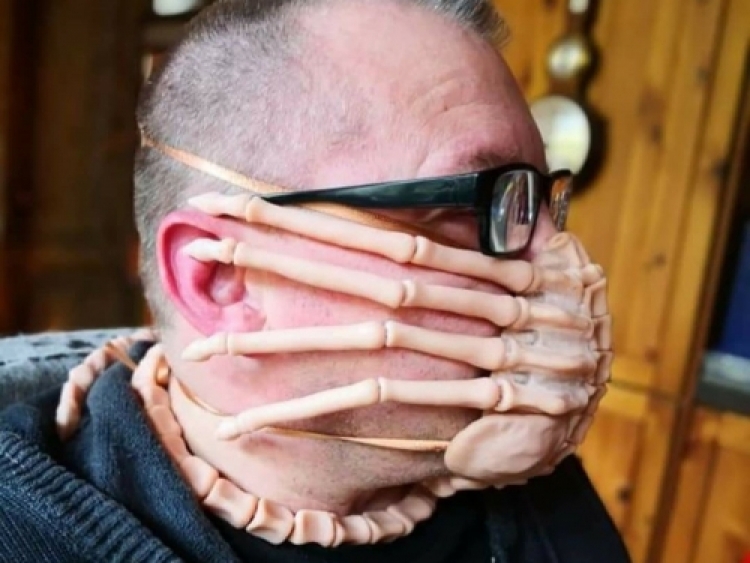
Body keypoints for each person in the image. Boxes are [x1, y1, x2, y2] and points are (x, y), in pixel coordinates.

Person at [0, 0, 630, 561]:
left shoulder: (529, 484)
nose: (555, 255)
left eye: (540, 201)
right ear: (223, 277)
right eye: (475, 203)